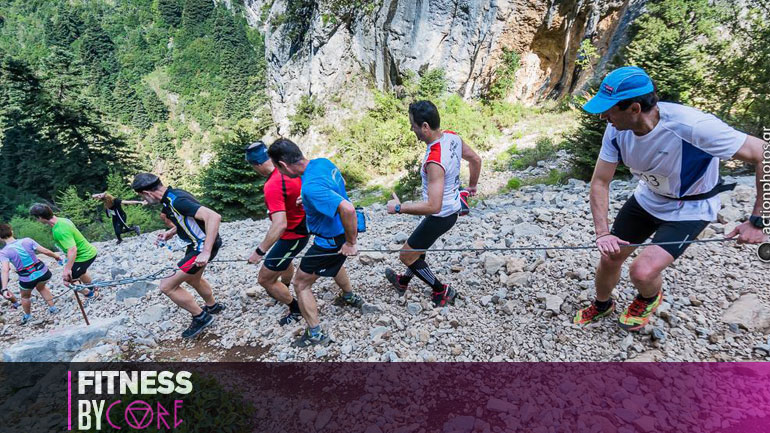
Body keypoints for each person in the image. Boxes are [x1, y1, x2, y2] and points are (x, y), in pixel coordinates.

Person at [573, 66, 769, 331]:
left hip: (690, 208)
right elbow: (600, 182)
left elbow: (763, 152)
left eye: (609, 109)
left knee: (642, 272)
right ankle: (602, 303)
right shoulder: (616, 129)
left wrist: (758, 220)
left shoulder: (693, 126)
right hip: (648, 199)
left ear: (634, 109)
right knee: (610, 256)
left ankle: (648, 297)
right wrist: (602, 233)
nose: (604, 116)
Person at [267, 138, 365, 347]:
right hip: (338, 234)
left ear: (283, 165)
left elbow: (346, 208)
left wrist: (351, 242)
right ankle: (348, 297)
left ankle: (315, 334)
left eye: (278, 168)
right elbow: (339, 185)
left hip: (331, 239)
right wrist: (311, 200)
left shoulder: (310, 186)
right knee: (333, 264)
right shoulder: (322, 163)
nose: (280, 173)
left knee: (301, 283)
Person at [384, 100, 482, 307]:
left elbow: (433, 206)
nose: (412, 128)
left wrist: (399, 208)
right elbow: (475, 159)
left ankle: (441, 290)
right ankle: (403, 281)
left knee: (406, 255)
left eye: (413, 125)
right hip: (450, 210)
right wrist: (472, 186)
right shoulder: (452, 136)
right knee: (417, 248)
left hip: (440, 216)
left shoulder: (434, 160)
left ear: (425, 126)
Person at [131, 173, 225, 339]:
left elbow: (214, 217)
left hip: (200, 248)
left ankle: (201, 317)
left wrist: (206, 251)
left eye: (143, 197)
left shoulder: (177, 200)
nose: (145, 201)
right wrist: (172, 232)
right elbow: (188, 218)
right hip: (195, 246)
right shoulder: (171, 197)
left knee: (167, 286)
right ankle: (212, 306)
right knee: (192, 278)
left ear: (147, 193)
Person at [245, 141, 309, 326]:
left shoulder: (273, 184)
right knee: (284, 263)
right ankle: (284, 287)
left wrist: (259, 251)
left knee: (264, 279)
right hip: (299, 228)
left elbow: (280, 224)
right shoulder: (292, 168)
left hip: (294, 235)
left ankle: (295, 308)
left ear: (256, 165)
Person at [29, 203, 98, 297]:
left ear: (40, 217)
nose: (37, 220)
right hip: (88, 252)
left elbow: (72, 249)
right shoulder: (62, 220)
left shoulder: (59, 230)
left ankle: (91, 295)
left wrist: (67, 269)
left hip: (84, 256)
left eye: (36, 218)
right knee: (81, 272)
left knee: (67, 281)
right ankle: (93, 288)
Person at [0, 223, 60, 323]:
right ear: (12, 231)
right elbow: (45, 251)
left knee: (25, 296)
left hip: (27, 278)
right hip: (43, 273)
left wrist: (4, 288)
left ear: (1, 238)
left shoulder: (4, 252)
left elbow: (6, 270)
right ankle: (53, 308)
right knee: (42, 287)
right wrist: (56, 256)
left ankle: (28, 316)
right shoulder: (27, 240)